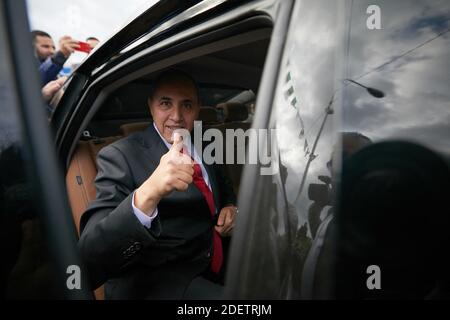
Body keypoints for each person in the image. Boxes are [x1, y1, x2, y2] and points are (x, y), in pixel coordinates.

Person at [78, 69, 237, 299]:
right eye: (165, 103)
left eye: (187, 105)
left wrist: (233, 209)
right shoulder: (119, 156)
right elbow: (88, 262)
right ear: (151, 105)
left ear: (198, 108)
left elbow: (225, 189)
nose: (177, 116)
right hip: (161, 280)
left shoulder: (206, 143)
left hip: (218, 260)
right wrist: (149, 192)